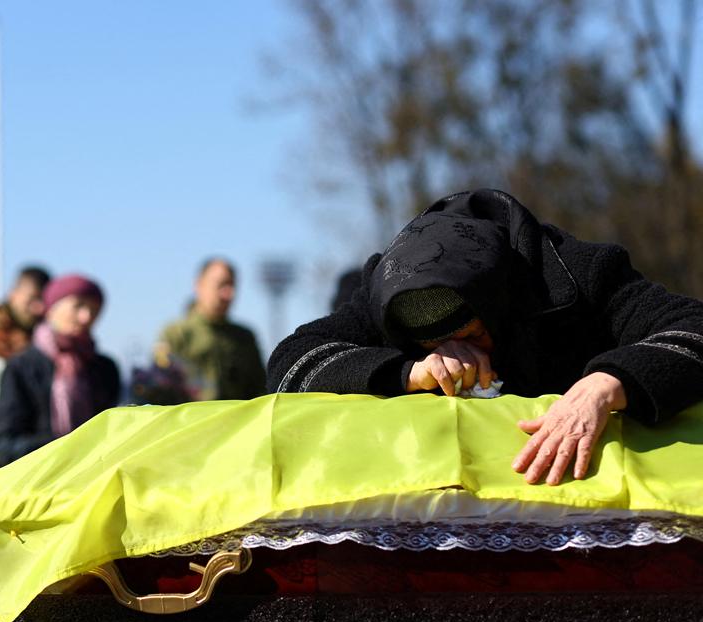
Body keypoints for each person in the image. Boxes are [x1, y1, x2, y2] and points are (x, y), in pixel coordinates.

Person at [268, 188, 703, 487]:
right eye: (436, 341)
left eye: (473, 333)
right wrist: (410, 372)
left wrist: (606, 385)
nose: (466, 353)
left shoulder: (580, 275)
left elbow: (693, 326)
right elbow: (290, 363)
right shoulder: (390, 289)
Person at [0, 274, 120, 466]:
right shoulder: (22, 367)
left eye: (94, 310)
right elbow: (5, 444)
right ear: (51, 309)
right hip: (39, 483)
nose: (86, 317)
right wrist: (67, 448)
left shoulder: (104, 368)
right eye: (78, 306)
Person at [156, 258, 266, 401]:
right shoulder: (175, 334)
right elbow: (160, 387)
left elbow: (260, 392)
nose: (228, 294)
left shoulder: (244, 338)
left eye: (232, 285)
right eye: (221, 285)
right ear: (199, 285)